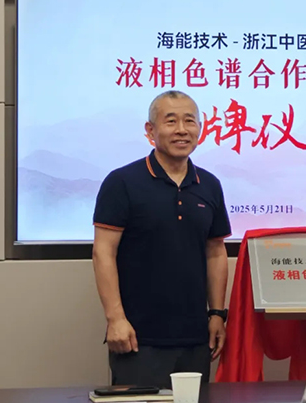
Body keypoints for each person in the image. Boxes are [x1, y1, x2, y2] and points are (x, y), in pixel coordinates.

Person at [92, 90, 231, 387]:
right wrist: (115, 319)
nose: (182, 130)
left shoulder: (209, 184)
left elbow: (216, 251)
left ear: (200, 128)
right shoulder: (122, 182)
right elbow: (103, 252)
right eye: (171, 121)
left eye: (189, 121)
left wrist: (217, 314)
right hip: (137, 338)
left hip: (196, 338)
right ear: (150, 130)